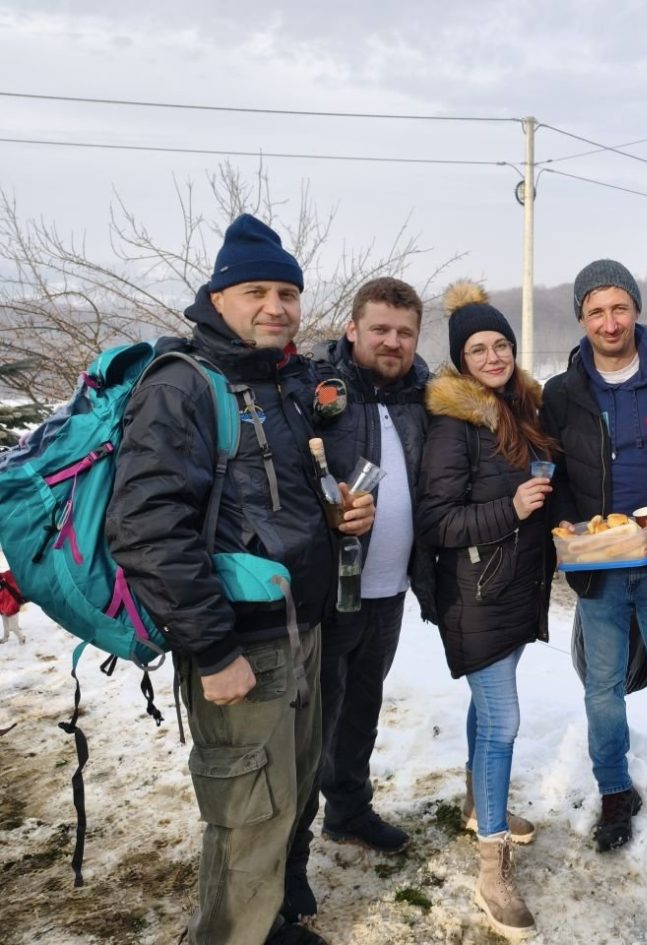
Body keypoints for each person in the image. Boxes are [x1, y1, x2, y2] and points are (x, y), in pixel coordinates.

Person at [105, 214, 375, 945]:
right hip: (241, 646)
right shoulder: (184, 387)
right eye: (257, 290)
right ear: (218, 297)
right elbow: (146, 528)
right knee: (248, 812)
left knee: (291, 795)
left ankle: (273, 920)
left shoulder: (279, 379)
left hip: (301, 632)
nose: (276, 306)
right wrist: (214, 649)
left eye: (287, 291)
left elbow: (270, 502)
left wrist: (337, 517)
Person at [540, 259, 647, 887]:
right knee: (601, 689)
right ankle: (616, 790)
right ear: (582, 318)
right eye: (595, 310)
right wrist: (571, 534)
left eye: (619, 307)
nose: (609, 321)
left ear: (635, 309)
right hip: (600, 568)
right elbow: (552, 474)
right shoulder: (563, 392)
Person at [283, 277, 437, 922]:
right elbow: (287, 483)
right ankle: (287, 863)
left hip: (388, 588)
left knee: (362, 708)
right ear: (354, 329)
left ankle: (348, 810)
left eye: (404, 332)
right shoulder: (316, 391)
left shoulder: (424, 398)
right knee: (310, 725)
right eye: (380, 329)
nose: (392, 341)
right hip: (329, 589)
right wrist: (330, 514)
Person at [416, 281, 554, 939]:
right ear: (460, 357)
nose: (495, 355)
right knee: (503, 719)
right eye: (480, 347)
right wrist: (513, 508)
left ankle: (479, 803)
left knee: (487, 706)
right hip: (475, 594)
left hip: (510, 587)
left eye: (502, 343)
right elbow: (437, 520)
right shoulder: (454, 424)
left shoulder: (514, 408)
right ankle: (492, 865)